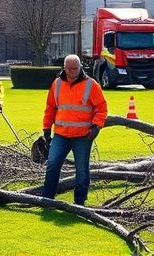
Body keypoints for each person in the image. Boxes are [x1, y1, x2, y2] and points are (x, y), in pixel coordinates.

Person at [42, 54, 108, 206]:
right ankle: (47, 198)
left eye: (75, 68)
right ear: (64, 68)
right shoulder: (57, 84)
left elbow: (102, 108)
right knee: (52, 164)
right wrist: (46, 128)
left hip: (83, 135)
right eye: (69, 69)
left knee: (82, 169)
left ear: (80, 67)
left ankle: (79, 201)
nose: (72, 72)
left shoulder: (91, 85)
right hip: (61, 134)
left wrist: (97, 126)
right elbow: (50, 108)